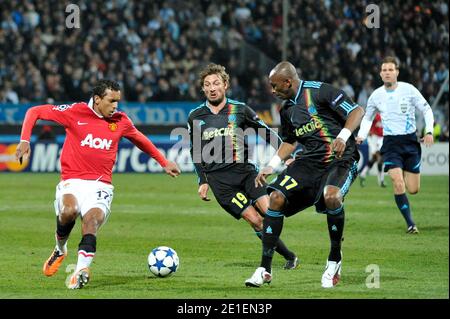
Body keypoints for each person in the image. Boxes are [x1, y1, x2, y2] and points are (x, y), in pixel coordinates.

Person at [15, 79, 181, 289]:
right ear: (97, 99)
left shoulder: (121, 120)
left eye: (118, 102)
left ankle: (80, 271)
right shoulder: (75, 111)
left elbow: (139, 139)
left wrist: (163, 161)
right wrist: (25, 140)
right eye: (111, 101)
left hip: (101, 185)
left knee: (91, 222)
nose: (115, 106)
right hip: (72, 181)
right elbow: (34, 111)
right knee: (68, 211)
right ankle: (60, 248)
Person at [245, 61, 364, 288]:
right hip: (309, 162)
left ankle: (334, 258)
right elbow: (290, 141)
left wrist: (343, 135)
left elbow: (357, 111)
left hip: (340, 158)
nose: (272, 90)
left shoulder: (320, 91)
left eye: (274, 86)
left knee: (332, 197)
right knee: (275, 198)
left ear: (288, 82)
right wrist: (271, 165)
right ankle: (264, 269)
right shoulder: (286, 110)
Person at [187, 63, 298, 270]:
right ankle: (289, 256)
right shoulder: (196, 116)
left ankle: (277, 254)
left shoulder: (240, 109)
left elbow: (265, 132)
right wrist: (202, 180)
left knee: (269, 211)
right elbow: (196, 151)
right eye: (207, 84)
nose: (212, 88)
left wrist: (286, 157)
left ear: (225, 85)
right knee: (255, 220)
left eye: (216, 83)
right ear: (203, 89)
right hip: (220, 182)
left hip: (246, 172)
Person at [356, 56, 434, 234]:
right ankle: (410, 224)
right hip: (390, 144)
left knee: (413, 189)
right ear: (380, 73)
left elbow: (427, 109)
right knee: (398, 183)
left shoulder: (409, 90)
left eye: (390, 70)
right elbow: (367, 118)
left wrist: (428, 131)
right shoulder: (376, 95)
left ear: (397, 72)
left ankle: (406, 186)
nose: (387, 73)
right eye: (384, 70)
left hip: (410, 142)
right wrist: (361, 135)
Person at [359, 113, 386, 188]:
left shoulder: (385, 113)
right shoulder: (375, 114)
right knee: (379, 158)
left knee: (374, 159)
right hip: (374, 138)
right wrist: (368, 131)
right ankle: (381, 181)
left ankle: (363, 174)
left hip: (381, 138)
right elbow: (367, 120)